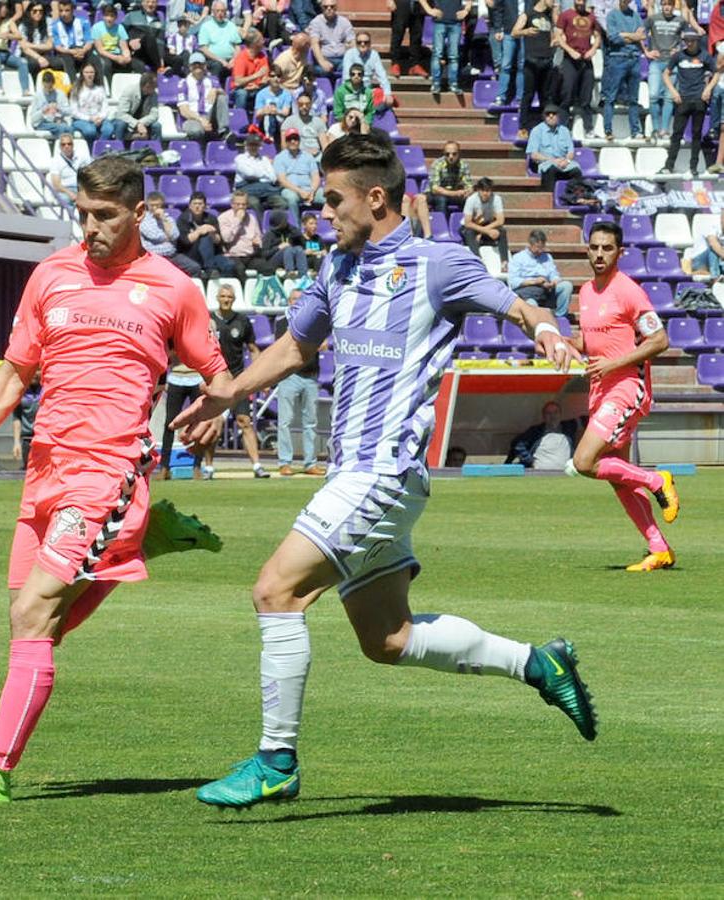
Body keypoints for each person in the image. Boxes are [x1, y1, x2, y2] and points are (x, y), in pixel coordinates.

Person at [172, 132, 597, 811]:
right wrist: (227, 394)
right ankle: (537, 663)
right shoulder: (336, 269)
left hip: (383, 470)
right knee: (388, 639)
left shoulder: (436, 263)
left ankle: (276, 761)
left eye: (332, 199)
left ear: (375, 197)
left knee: (275, 592)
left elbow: (517, 304)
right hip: (358, 475)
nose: (322, 211)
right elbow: (295, 347)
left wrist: (543, 328)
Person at [0, 154, 231, 804]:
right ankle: (139, 544)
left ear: (138, 214)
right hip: (45, 469)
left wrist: (217, 407)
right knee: (31, 623)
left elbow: (218, 375)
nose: (90, 228)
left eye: (104, 215)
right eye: (82, 214)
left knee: (34, 613)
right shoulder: (51, 275)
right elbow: (14, 373)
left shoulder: (173, 288)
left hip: (108, 473)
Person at [568, 221, 679, 571]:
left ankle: (656, 480)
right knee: (618, 479)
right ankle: (659, 548)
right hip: (601, 390)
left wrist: (613, 364)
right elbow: (588, 342)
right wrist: (560, 343)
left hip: (627, 387)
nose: (599, 254)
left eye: (607, 248)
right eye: (594, 247)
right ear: (587, 250)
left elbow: (659, 340)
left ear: (620, 252)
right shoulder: (586, 291)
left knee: (584, 461)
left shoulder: (629, 291)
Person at [202, 284, 272, 479]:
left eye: (230, 297)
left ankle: (257, 465)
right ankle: (208, 467)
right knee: (214, 423)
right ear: (217, 298)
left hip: (238, 379)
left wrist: (263, 378)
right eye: (223, 296)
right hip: (216, 379)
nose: (226, 300)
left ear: (234, 299)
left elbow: (253, 349)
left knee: (245, 421)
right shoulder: (208, 321)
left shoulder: (242, 321)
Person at [273, 290, 324, 476]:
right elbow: (286, 348)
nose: (297, 302)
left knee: (311, 422)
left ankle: (310, 463)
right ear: (289, 302)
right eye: (294, 299)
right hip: (289, 376)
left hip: (311, 377)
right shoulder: (282, 322)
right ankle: (285, 462)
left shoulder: (315, 320)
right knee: (285, 421)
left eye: (300, 299)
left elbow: (323, 343)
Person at [660, 29, 717, 176]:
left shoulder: (705, 56)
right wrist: (673, 91)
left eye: (692, 41)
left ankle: (693, 167)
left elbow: (717, 72)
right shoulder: (678, 56)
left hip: (699, 99)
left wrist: (708, 89)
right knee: (676, 134)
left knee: (696, 134)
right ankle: (668, 166)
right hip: (683, 99)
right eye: (687, 41)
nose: (689, 43)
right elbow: (665, 74)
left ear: (697, 41)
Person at [602, 0, 645, 141]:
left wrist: (624, 35)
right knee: (611, 97)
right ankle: (608, 130)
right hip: (617, 58)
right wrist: (633, 36)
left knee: (633, 99)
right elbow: (613, 38)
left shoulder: (635, 15)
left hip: (634, 58)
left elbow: (642, 36)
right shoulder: (612, 15)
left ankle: (635, 131)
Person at [512, 0, 557, 136]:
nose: (554, 2)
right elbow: (514, 32)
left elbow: (553, 36)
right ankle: (523, 127)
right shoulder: (528, 14)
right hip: (532, 61)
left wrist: (555, 42)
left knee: (546, 97)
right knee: (528, 95)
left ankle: (547, 127)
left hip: (546, 61)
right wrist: (526, 31)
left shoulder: (549, 16)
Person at [556, 0, 600, 134]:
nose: (580, 2)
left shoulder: (591, 17)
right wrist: (570, 51)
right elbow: (558, 36)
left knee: (586, 97)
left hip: (586, 59)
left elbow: (597, 36)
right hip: (570, 59)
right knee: (567, 93)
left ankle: (589, 128)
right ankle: (563, 128)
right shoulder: (565, 15)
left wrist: (593, 49)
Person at [159, 357, 207, 479]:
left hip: (197, 378)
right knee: (169, 424)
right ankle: (164, 467)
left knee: (199, 423)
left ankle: (197, 465)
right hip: (175, 378)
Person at [509, 230, 574, 316]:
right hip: (528, 293)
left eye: (542, 247)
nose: (540, 251)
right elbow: (513, 281)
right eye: (537, 247)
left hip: (546, 290)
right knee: (532, 304)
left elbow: (554, 274)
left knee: (566, 286)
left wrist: (554, 282)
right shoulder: (518, 258)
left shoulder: (547, 257)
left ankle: (559, 316)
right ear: (530, 244)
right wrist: (534, 282)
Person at [646, 0, 684, 143]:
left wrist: (680, 49)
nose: (667, 7)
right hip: (656, 62)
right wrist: (646, 51)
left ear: (674, 6)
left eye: (669, 4)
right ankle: (655, 128)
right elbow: (639, 34)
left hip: (672, 64)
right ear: (661, 5)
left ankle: (664, 130)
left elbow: (689, 38)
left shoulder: (680, 20)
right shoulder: (653, 19)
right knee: (653, 95)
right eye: (664, 4)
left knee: (669, 98)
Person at [141, 190, 203, 276]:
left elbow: (174, 236)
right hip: (154, 257)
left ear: (162, 204)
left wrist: (163, 219)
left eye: (157, 205)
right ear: (147, 205)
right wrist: (167, 236)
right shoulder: (144, 219)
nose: (155, 208)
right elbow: (155, 236)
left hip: (172, 256)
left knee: (194, 268)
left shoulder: (168, 219)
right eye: (152, 205)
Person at [505, 400, 580, 469]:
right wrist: (530, 461)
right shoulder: (536, 431)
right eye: (548, 413)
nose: (552, 416)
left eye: (556, 412)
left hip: (565, 473)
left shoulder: (569, 427)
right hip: (540, 473)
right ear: (543, 416)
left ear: (560, 414)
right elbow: (517, 444)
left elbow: (585, 420)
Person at [177, 191, 237, 275]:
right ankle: (210, 269)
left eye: (200, 204)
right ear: (190, 206)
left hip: (212, 254)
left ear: (205, 206)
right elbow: (185, 241)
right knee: (205, 237)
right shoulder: (183, 219)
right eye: (195, 204)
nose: (197, 206)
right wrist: (199, 231)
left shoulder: (211, 218)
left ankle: (219, 281)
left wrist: (213, 234)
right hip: (191, 254)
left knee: (229, 265)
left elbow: (219, 241)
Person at [421, 0, 471, 95]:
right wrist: (429, 10)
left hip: (456, 23)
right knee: (437, 54)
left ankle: (453, 83)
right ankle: (436, 83)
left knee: (454, 56)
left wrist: (466, 10)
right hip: (440, 22)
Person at [527, 104, 581, 191]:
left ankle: (575, 195)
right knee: (551, 170)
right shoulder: (536, 131)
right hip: (547, 164)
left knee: (576, 170)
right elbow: (534, 155)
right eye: (548, 114)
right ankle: (551, 195)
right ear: (544, 116)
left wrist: (567, 161)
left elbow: (571, 152)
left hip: (564, 164)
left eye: (554, 114)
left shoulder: (565, 130)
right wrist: (552, 160)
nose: (551, 116)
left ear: (558, 116)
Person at [178, 51, 232, 140]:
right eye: (194, 64)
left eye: (200, 64)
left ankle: (224, 131)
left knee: (221, 97)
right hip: (193, 118)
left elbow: (224, 97)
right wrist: (201, 120)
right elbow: (184, 110)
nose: (197, 67)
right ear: (190, 67)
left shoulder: (213, 80)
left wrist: (216, 90)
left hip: (210, 115)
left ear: (205, 66)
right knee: (196, 130)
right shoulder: (183, 83)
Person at [274, 127, 324, 222]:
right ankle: (296, 227)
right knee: (291, 198)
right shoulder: (279, 158)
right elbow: (282, 180)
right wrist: (300, 191)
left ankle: (329, 225)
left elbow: (316, 177)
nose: (293, 141)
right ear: (286, 141)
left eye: (295, 138)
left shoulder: (308, 156)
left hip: (309, 189)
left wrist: (312, 191)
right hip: (291, 189)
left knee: (326, 196)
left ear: (299, 141)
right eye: (289, 139)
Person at [460, 177, 509, 270]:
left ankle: (504, 262)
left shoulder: (497, 199)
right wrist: (486, 231)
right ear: (478, 190)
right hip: (472, 226)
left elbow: (500, 220)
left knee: (502, 231)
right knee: (469, 232)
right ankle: (478, 259)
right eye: (483, 191)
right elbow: (468, 223)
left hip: (487, 225)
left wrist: (484, 231)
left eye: (488, 191)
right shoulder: (471, 200)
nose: (485, 193)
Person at [0, 1, 30, 93]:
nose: (4, 10)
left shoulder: (9, 22)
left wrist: (9, 36)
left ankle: (25, 89)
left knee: (22, 62)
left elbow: (19, 36)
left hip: (5, 53)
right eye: (2, 8)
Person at [91, 3, 142, 87]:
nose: (109, 19)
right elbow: (100, 50)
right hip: (103, 55)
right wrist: (116, 58)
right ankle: (109, 88)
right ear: (103, 16)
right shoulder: (96, 27)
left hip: (117, 54)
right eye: (107, 16)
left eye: (112, 16)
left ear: (116, 17)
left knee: (139, 65)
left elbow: (124, 47)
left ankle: (138, 88)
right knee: (106, 65)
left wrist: (127, 57)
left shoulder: (120, 28)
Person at [18, 1, 64, 87]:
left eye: (40, 11)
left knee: (59, 63)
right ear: (29, 12)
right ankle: (37, 88)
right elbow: (24, 48)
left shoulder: (48, 22)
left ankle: (57, 87)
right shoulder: (23, 26)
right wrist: (39, 57)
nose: (38, 13)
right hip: (29, 55)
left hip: (45, 55)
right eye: (34, 11)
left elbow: (50, 45)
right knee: (34, 63)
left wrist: (30, 45)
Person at [340, 31, 392, 107]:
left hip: (367, 90)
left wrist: (388, 93)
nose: (362, 44)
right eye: (359, 42)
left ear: (370, 43)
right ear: (356, 43)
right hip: (351, 90)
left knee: (387, 100)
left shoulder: (374, 54)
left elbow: (382, 75)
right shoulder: (349, 54)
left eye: (366, 42)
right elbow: (347, 78)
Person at [218, 189, 264, 274]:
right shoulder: (223, 218)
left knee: (267, 268)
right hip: (233, 256)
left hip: (250, 256)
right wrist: (238, 220)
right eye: (238, 204)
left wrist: (257, 242)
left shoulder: (251, 218)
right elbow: (226, 239)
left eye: (244, 204)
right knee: (239, 270)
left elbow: (259, 237)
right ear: (232, 204)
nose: (241, 207)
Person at [197, 0, 243, 80]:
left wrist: (234, 60)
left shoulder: (231, 26)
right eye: (217, 11)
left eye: (222, 11)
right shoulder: (206, 27)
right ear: (213, 12)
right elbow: (204, 49)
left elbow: (237, 47)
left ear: (225, 12)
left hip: (230, 60)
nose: (220, 13)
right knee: (217, 65)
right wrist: (221, 60)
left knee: (242, 62)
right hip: (213, 60)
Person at [51, 0, 97, 81]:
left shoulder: (83, 22)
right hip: (65, 52)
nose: (63, 14)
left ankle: (98, 84)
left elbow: (89, 41)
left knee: (94, 58)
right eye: (61, 11)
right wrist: (71, 52)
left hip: (82, 50)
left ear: (72, 11)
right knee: (67, 58)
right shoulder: (55, 25)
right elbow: (57, 46)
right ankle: (74, 85)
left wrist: (83, 51)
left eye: (67, 10)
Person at [307, 0, 354, 76]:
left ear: (336, 8)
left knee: (353, 69)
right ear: (321, 8)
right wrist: (322, 62)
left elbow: (352, 42)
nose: (329, 9)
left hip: (342, 59)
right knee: (319, 70)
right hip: (325, 58)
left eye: (332, 6)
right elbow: (314, 44)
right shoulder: (316, 22)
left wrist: (353, 59)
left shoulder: (344, 21)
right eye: (325, 7)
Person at [110, 70, 161, 140]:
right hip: (127, 122)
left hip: (143, 123)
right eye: (154, 87)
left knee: (157, 126)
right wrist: (137, 124)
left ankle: (155, 146)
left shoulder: (154, 95)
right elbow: (121, 114)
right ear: (147, 86)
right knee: (121, 124)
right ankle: (118, 145)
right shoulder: (129, 91)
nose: (155, 89)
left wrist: (141, 123)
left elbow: (154, 115)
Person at [426, 140, 472, 215]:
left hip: (453, 193)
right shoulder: (437, 164)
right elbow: (435, 189)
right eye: (447, 154)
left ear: (459, 154)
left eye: (454, 154)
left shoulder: (463, 165)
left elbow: (469, 185)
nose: (451, 157)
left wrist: (467, 192)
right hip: (434, 195)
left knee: (469, 199)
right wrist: (455, 193)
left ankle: (464, 220)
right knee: (441, 199)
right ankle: (441, 221)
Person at [231, 27, 270, 114]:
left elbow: (265, 76)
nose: (263, 42)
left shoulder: (262, 56)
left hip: (257, 87)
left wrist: (258, 84)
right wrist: (256, 76)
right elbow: (237, 82)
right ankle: (239, 117)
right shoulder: (241, 58)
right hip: (241, 88)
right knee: (241, 93)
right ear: (254, 44)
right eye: (261, 40)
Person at [281, 91, 330, 157]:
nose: (304, 107)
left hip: (316, 156)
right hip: (297, 157)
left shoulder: (318, 121)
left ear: (311, 104)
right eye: (301, 104)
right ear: (297, 104)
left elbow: (324, 145)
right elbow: (284, 148)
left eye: (307, 104)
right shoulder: (289, 122)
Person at [253, 65, 293, 145]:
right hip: (264, 123)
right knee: (268, 115)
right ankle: (268, 136)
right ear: (268, 78)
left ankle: (270, 136)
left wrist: (275, 111)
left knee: (275, 116)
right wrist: (265, 110)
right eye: (272, 76)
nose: (276, 78)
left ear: (281, 78)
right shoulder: (261, 94)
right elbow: (257, 114)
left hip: (280, 123)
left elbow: (286, 112)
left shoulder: (287, 94)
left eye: (278, 76)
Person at [122, 0, 166, 72]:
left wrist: (161, 57)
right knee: (149, 38)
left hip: (151, 54)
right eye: (147, 2)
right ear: (142, 3)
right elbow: (121, 33)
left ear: (157, 4)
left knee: (176, 60)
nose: (150, 4)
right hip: (135, 52)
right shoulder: (131, 16)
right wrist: (129, 41)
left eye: (153, 2)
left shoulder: (160, 20)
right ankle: (159, 67)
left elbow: (160, 41)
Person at [29, 70, 74, 138]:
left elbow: (69, 112)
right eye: (45, 87)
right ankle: (61, 144)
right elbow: (33, 119)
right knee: (61, 128)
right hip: (43, 123)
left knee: (70, 129)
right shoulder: (37, 96)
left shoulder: (60, 94)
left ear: (53, 84)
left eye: (50, 87)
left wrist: (59, 108)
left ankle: (68, 144)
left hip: (58, 121)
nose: (48, 90)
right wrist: (43, 111)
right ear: (42, 84)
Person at [49, 132, 91, 203]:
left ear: (73, 145)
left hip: (81, 188)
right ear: (60, 147)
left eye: (69, 144)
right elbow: (56, 185)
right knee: (66, 199)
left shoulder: (82, 157)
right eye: (63, 144)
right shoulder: (55, 161)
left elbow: (90, 173)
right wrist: (70, 193)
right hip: (65, 190)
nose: (66, 146)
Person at [389, 0, 426, 77]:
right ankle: (395, 63)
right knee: (398, 34)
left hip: (419, 4)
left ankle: (415, 64)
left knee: (417, 35)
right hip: (401, 3)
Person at [12, 372, 42, 469]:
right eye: (33, 370)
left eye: (38, 369)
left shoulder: (47, 389)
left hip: (44, 439)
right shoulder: (21, 392)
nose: (35, 373)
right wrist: (16, 442)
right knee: (28, 470)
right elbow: (17, 418)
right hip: (27, 440)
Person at [689, 208, 724, 275]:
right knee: (713, 250)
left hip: (715, 262)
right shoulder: (711, 225)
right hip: (699, 260)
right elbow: (713, 243)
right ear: (722, 218)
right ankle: (715, 276)